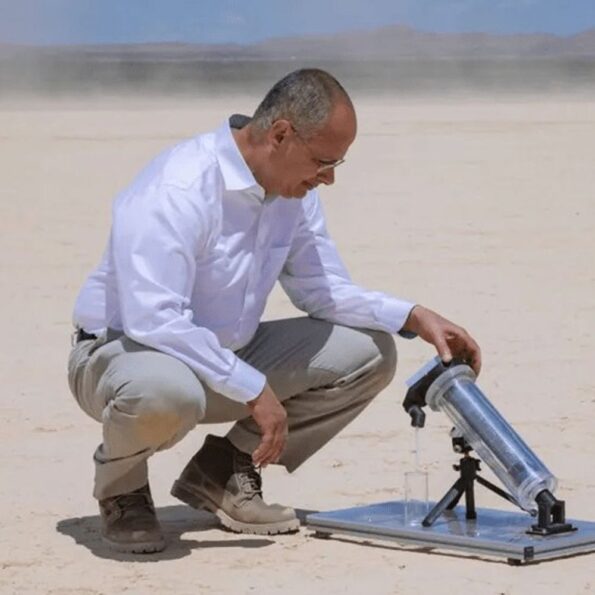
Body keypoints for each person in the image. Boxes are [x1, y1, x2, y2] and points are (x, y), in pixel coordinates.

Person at [67, 68, 481, 554]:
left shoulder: (292, 192)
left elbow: (322, 290)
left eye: (338, 164)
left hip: (224, 354)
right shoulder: (178, 185)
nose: (328, 178)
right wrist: (251, 386)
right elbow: (153, 318)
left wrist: (414, 316)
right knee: (166, 393)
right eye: (324, 161)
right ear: (281, 134)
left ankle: (222, 471)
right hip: (123, 354)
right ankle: (122, 488)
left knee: (370, 352)